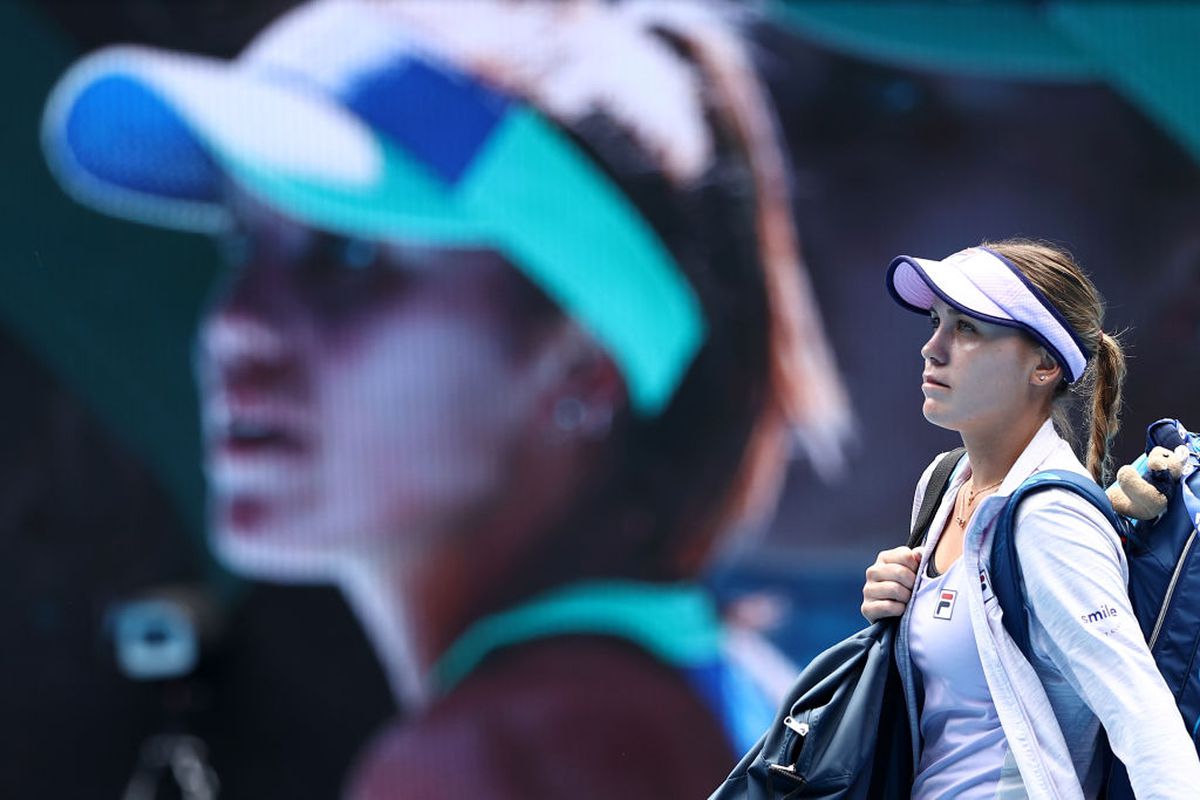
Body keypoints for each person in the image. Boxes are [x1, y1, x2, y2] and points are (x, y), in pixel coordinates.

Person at [41, 1, 851, 797]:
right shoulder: (704, 697)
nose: (233, 323)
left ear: (581, 365)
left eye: (350, 253)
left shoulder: (496, 761)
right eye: (245, 241)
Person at [862, 239, 1200, 799]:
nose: (932, 348)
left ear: (1044, 365)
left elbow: (1145, 720)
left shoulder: (1052, 520)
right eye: (936, 321)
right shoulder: (943, 484)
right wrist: (891, 608)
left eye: (967, 329)